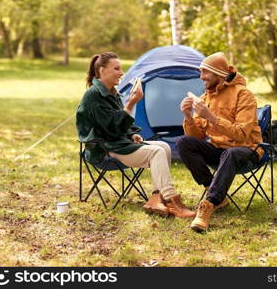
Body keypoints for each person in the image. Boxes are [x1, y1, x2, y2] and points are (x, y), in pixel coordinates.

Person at [76, 52, 195, 218]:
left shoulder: (112, 92)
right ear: (102, 71)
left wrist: (132, 136)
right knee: (157, 152)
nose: (121, 72)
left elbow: (120, 126)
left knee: (164, 146)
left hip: (117, 143)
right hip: (104, 148)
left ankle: (155, 198)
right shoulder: (94, 95)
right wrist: (131, 103)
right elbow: (111, 129)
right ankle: (171, 200)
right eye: (116, 68)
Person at [177, 52, 263, 231]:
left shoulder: (243, 95)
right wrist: (188, 116)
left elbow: (241, 134)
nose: (201, 77)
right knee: (184, 142)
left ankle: (209, 203)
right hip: (220, 151)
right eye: (200, 72)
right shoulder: (204, 98)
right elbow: (197, 138)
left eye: (205, 72)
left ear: (218, 73)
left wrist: (211, 117)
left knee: (231, 152)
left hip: (246, 150)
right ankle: (215, 192)